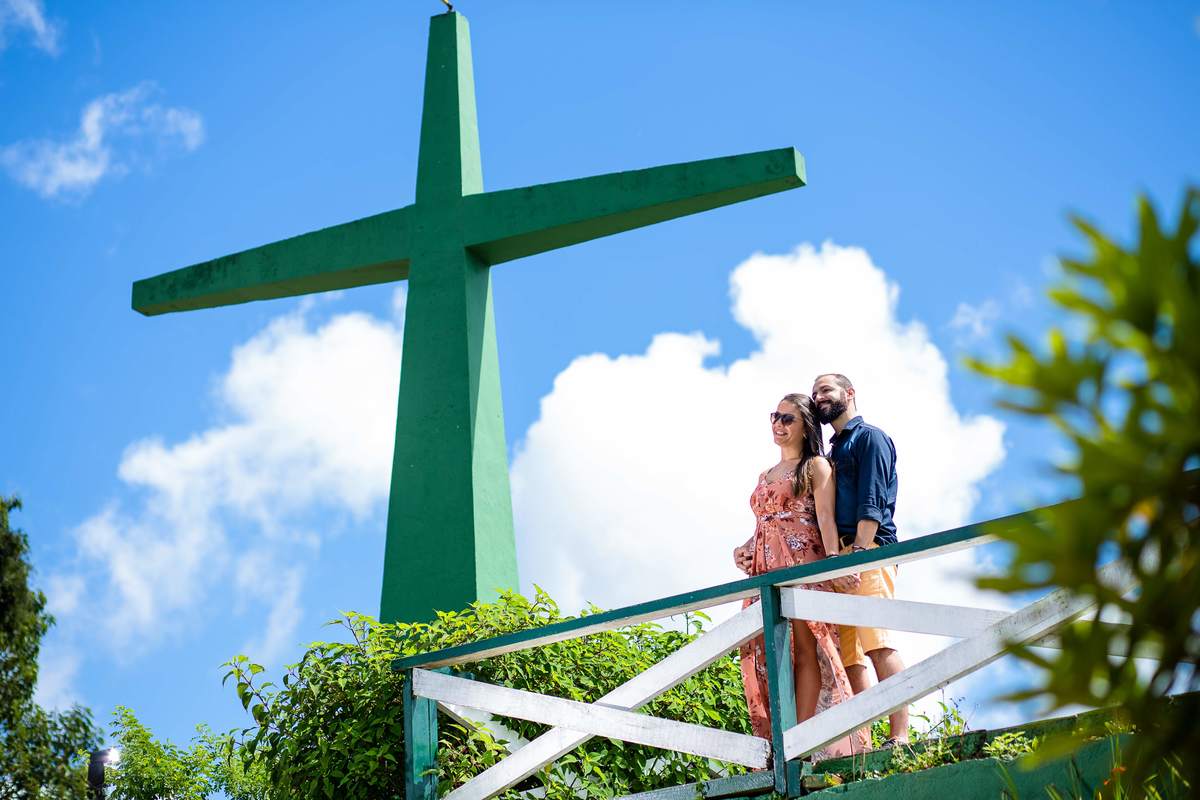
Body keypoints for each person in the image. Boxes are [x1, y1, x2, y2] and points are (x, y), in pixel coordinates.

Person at [733, 393, 868, 757]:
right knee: (768, 655)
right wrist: (743, 549)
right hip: (764, 570)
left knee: (808, 650)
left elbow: (825, 518)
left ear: (805, 426)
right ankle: (778, 741)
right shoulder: (764, 475)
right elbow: (763, 525)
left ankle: (800, 743)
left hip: (801, 564)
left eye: (787, 419)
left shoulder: (816, 467)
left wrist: (836, 563)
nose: (778, 424)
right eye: (774, 416)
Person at [811, 373, 909, 746]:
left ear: (849, 393)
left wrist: (860, 554)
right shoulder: (832, 452)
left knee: (877, 644)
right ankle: (864, 743)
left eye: (826, 390)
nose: (818, 397)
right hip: (842, 559)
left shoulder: (871, 438)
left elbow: (873, 500)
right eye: (814, 393)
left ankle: (899, 735)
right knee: (850, 659)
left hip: (869, 551)